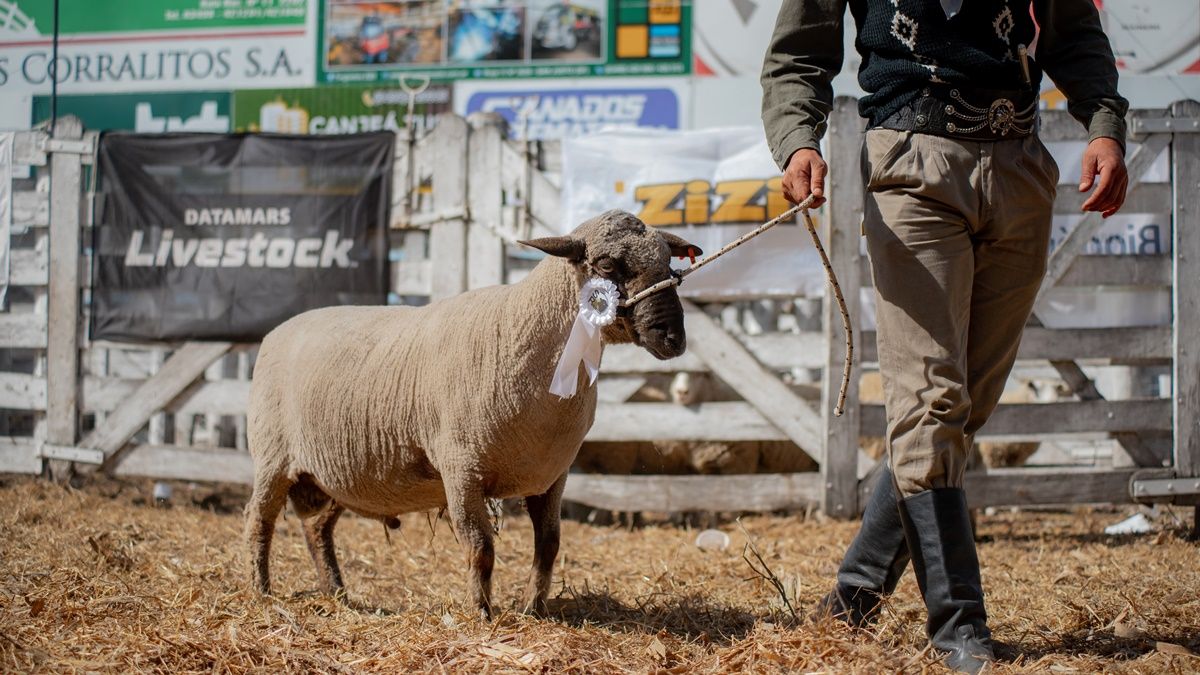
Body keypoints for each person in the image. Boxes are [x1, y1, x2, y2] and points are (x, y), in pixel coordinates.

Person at [761, 1, 1128, 672]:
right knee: (930, 405)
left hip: (1020, 167)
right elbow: (798, 55)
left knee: (960, 411)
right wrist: (798, 140)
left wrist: (1103, 122)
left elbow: (1073, 31)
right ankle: (960, 630)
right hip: (910, 167)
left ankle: (855, 596)